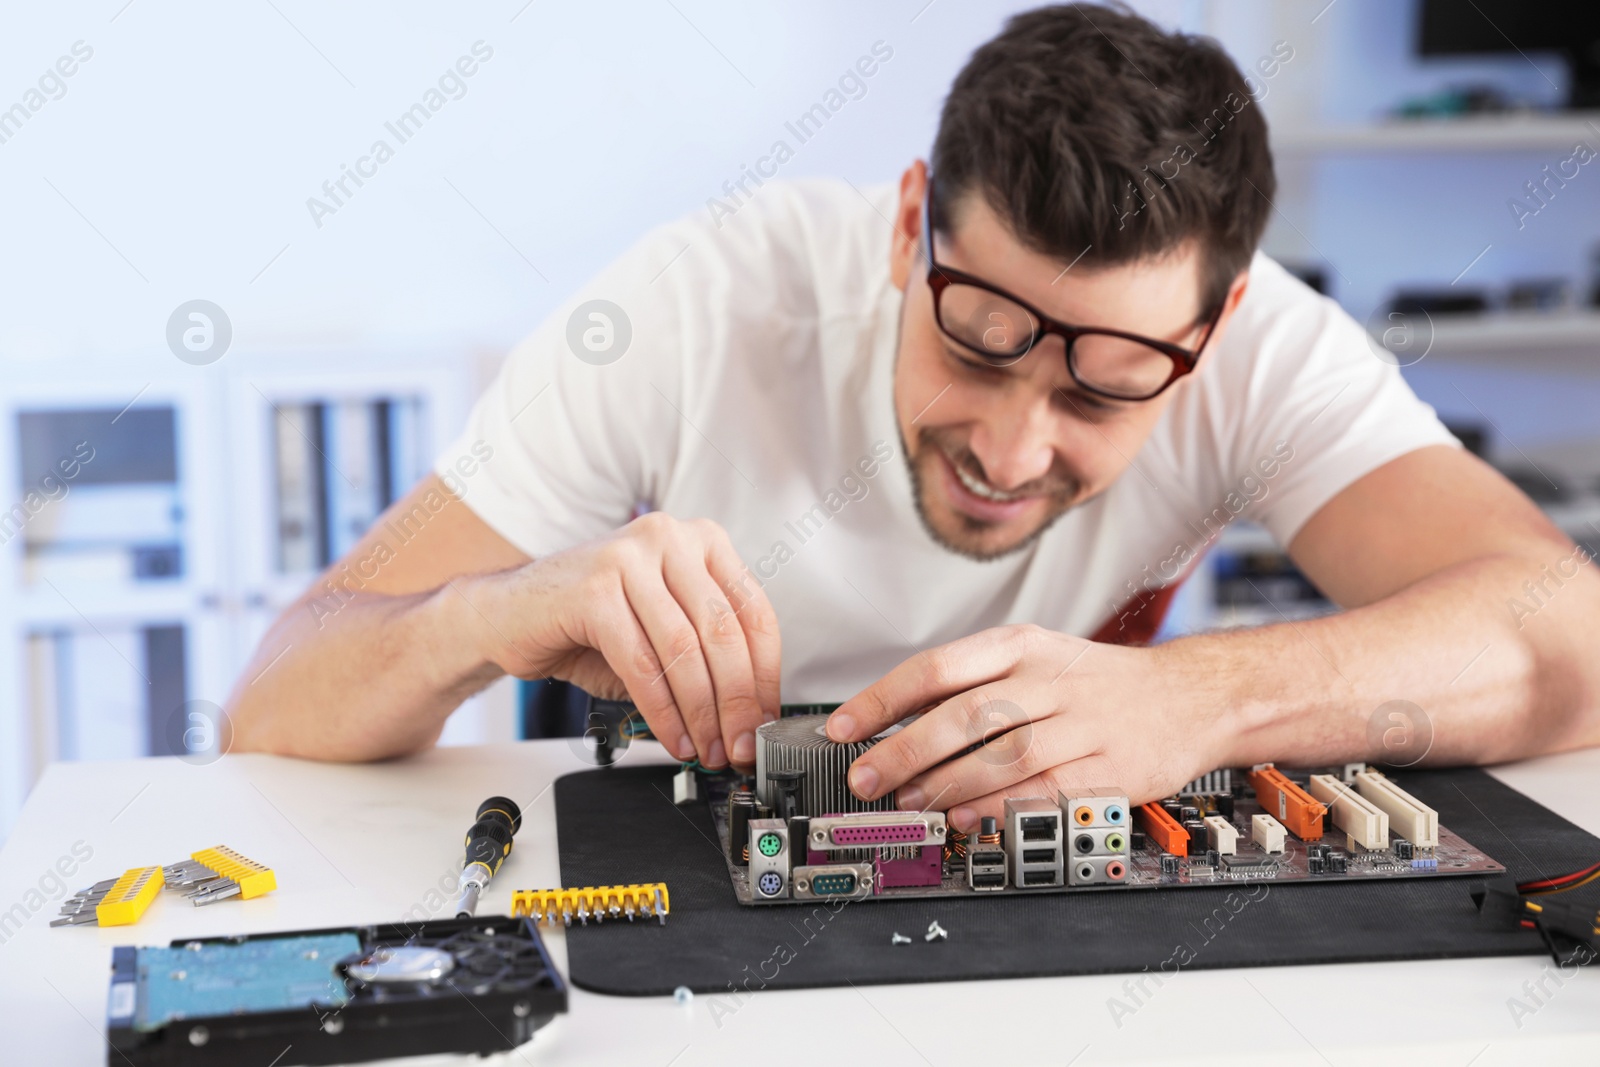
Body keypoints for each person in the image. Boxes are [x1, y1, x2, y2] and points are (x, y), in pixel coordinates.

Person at [229, 4, 1600, 831]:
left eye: (1104, 385)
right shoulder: (697, 302)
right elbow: (272, 710)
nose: (1012, 449)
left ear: (1215, 334)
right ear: (906, 230)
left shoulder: (1261, 346)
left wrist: (1205, 699)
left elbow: (1570, 642)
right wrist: (494, 609)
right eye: (982, 342)